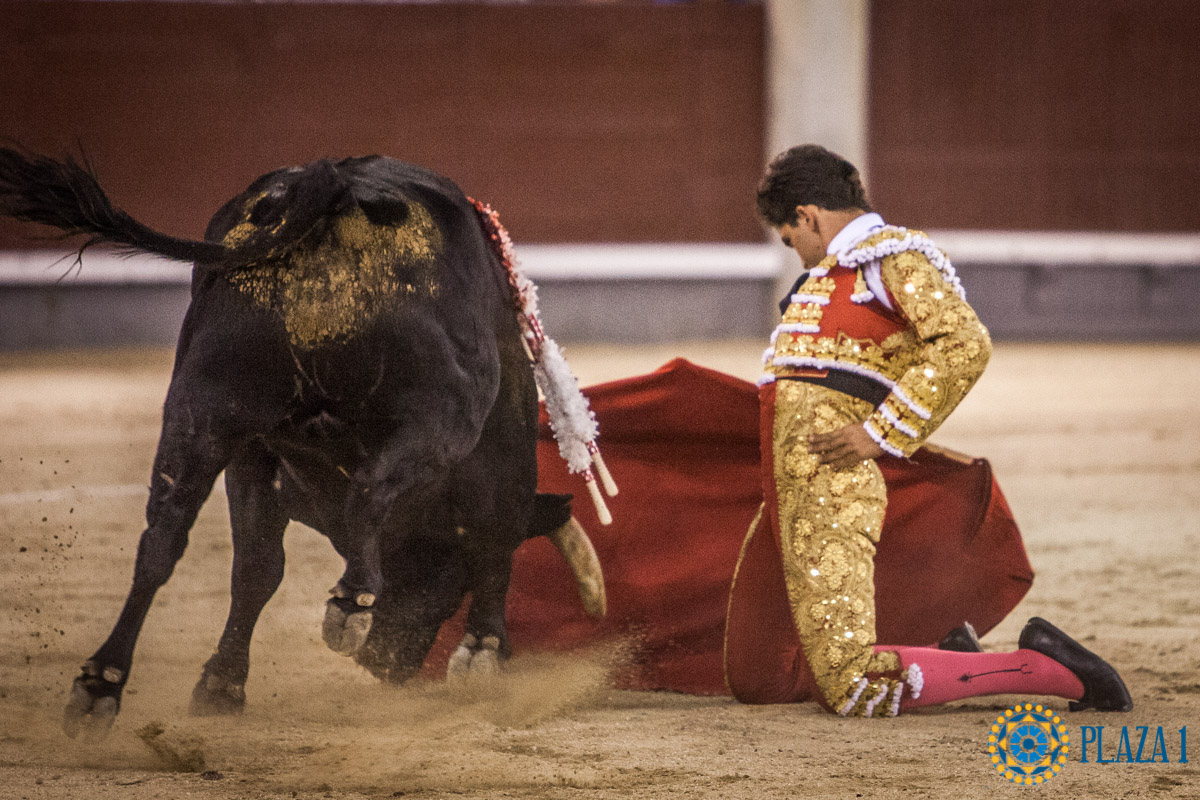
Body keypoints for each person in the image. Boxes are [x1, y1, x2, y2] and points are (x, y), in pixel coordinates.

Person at [722, 144, 1132, 716]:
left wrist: (880, 433)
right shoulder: (828, 280)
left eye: (794, 240)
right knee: (762, 674)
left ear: (808, 216)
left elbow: (965, 344)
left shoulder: (892, 259)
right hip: (791, 500)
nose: (800, 257)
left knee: (848, 687)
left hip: (834, 490)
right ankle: (948, 654)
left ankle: (1048, 669)